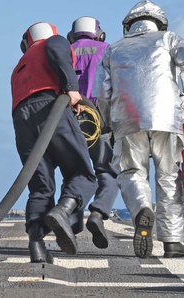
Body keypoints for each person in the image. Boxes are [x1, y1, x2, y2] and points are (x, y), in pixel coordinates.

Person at [97, 0, 184, 259]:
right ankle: (173, 243)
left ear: (128, 26)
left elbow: (102, 92)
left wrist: (108, 123)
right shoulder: (168, 39)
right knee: (168, 177)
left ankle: (143, 208)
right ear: (159, 23)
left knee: (132, 172)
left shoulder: (114, 49)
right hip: (167, 117)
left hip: (127, 120)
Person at [11, 21, 97, 263]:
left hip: (22, 120)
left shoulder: (20, 65)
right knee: (82, 173)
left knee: (40, 186)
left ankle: (37, 246)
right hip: (52, 107)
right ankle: (63, 211)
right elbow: (58, 54)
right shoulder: (54, 42)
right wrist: (71, 88)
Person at [67, 16, 120, 250]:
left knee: (74, 172)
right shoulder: (109, 50)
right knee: (108, 171)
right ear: (100, 34)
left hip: (70, 116)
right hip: (100, 118)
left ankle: (70, 223)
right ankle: (99, 212)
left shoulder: (65, 51)